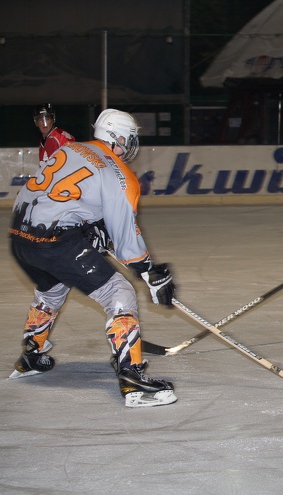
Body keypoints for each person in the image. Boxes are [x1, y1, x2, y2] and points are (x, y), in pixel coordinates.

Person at [8, 108, 178, 408]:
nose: (131, 145)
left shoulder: (71, 148)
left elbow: (56, 196)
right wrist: (149, 271)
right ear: (119, 138)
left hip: (20, 239)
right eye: (130, 139)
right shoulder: (118, 173)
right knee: (120, 292)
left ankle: (31, 355)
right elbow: (127, 237)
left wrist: (88, 227)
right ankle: (131, 377)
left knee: (53, 289)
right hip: (55, 242)